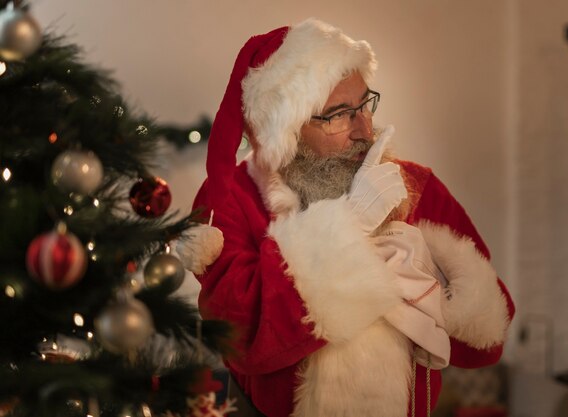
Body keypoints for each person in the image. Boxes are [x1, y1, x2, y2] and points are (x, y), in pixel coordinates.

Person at [184, 18, 515, 417]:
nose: (365, 129)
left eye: (364, 104)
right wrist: (349, 226)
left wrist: (435, 287)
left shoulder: (413, 185)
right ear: (285, 131)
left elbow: (487, 339)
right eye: (338, 114)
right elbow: (243, 336)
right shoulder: (232, 199)